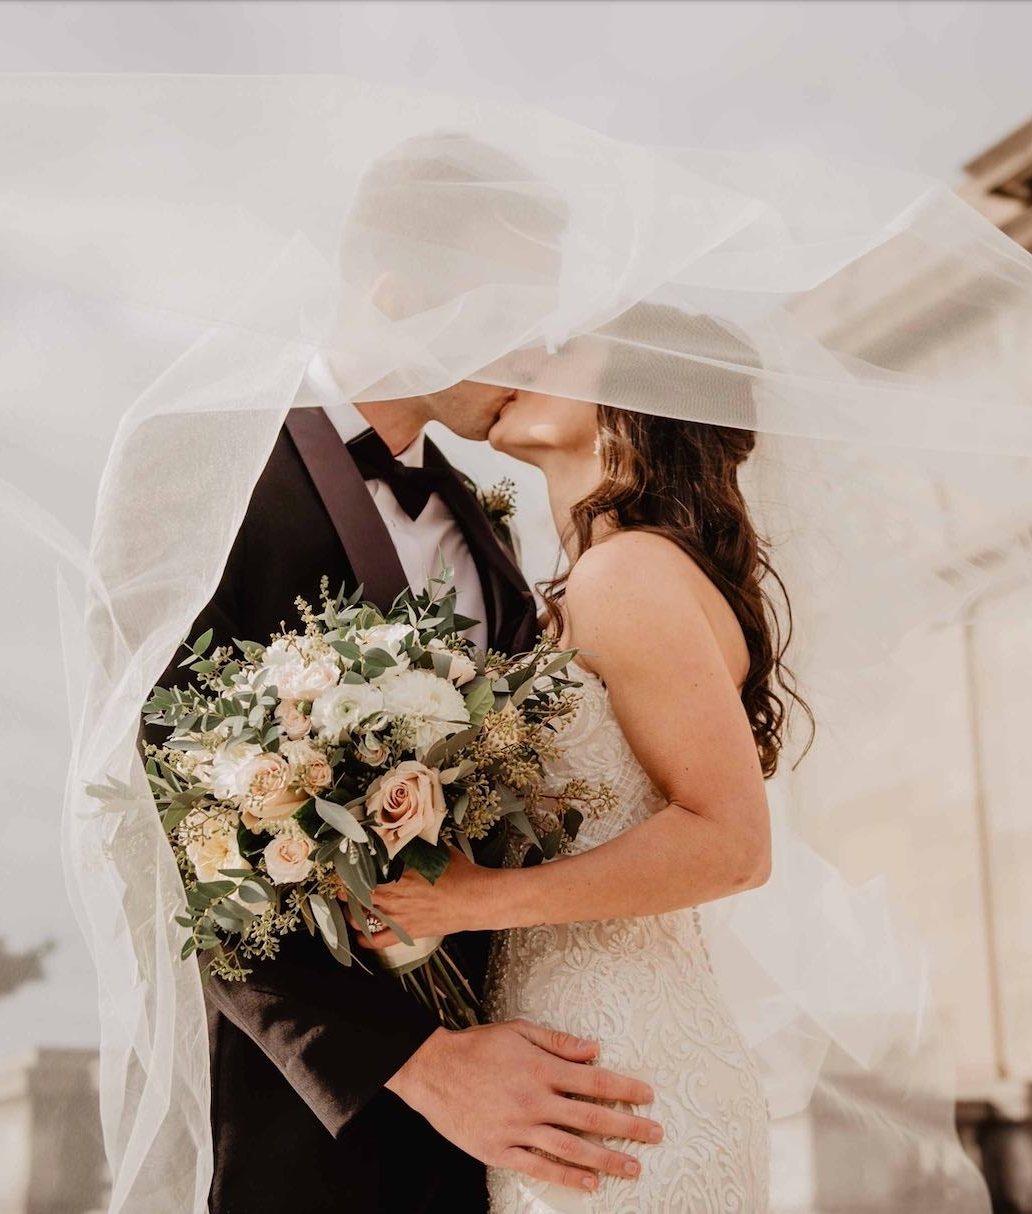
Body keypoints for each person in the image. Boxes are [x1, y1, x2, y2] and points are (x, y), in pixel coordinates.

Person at [141, 135, 662, 1214]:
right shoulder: (198, 467)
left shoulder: (489, 535)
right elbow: (162, 814)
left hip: (523, 1118)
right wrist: (419, 1063)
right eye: (511, 309)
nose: (535, 346)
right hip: (313, 1125)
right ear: (399, 294)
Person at [357, 310, 792, 1210]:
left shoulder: (627, 573)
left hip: (622, 1069)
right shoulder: (592, 579)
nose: (515, 356)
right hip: (572, 1060)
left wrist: (478, 899)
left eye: (557, 348)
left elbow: (733, 842)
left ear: (636, 395)